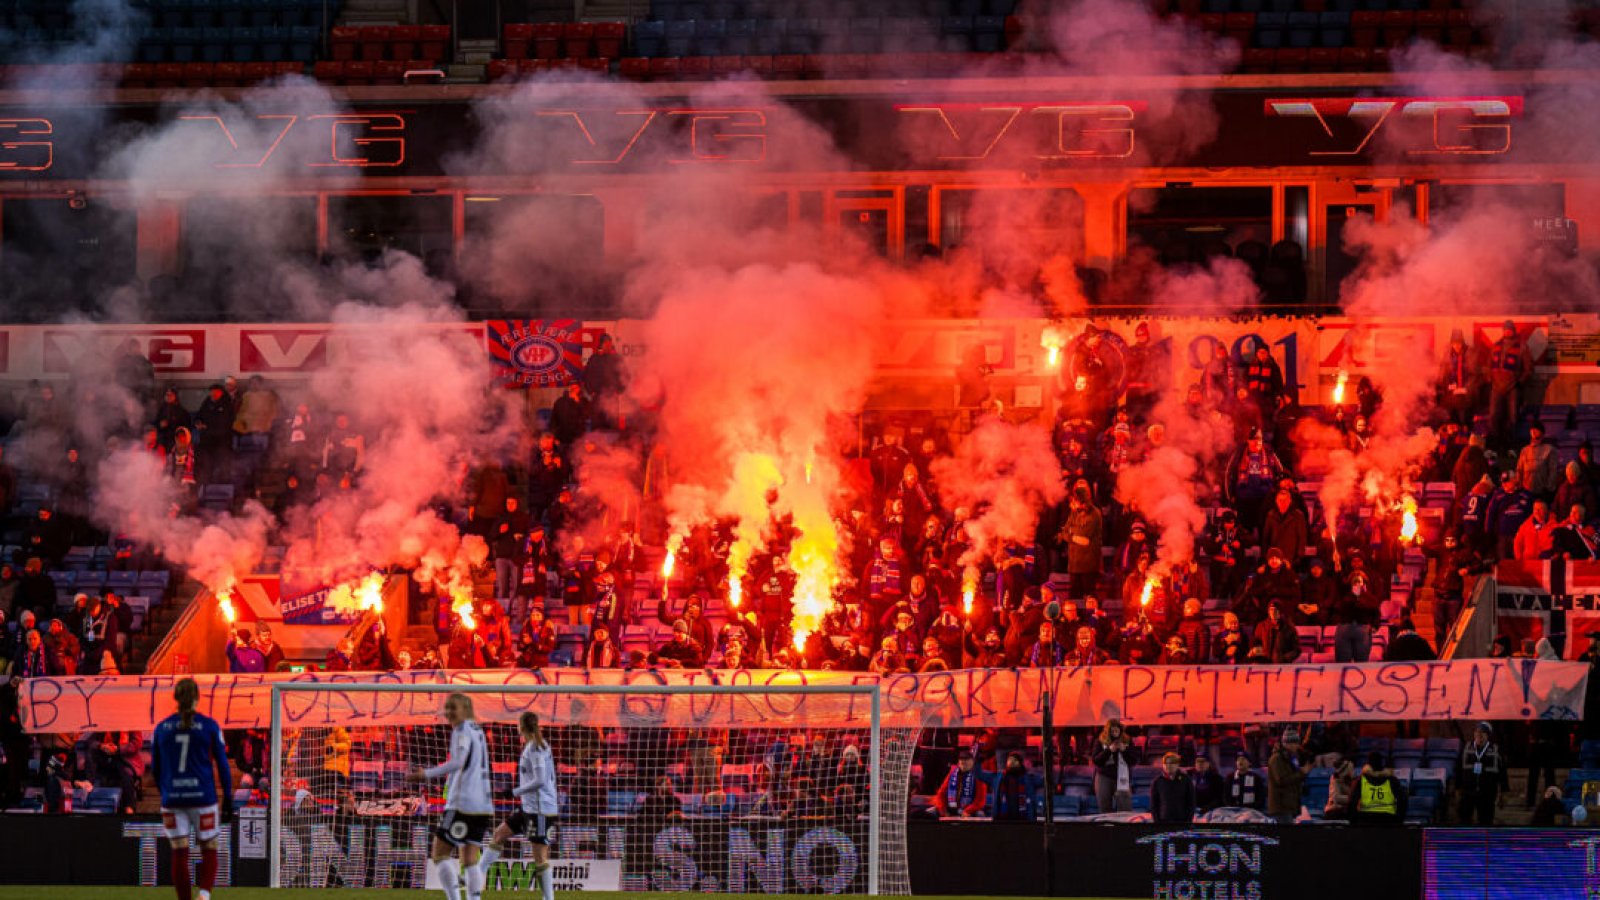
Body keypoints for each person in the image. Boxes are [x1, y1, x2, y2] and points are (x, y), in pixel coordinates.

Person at [407, 693, 495, 900]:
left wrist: (425, 774)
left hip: (463, 802)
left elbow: (459, 761)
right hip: (482, 803)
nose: (448, 713)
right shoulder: (478, 731)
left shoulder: (462, 730)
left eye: (452, 709)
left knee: (439, 853)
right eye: (448, 709)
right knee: (470, 858)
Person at [151, 678, 231, 900]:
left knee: (179, 852)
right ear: (197, 698)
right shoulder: (209, 726)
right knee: (210, 847)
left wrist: (165, 792)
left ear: (175, 698)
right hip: (203, 797)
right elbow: (223, 766)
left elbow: (155, 768)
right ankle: (204, 895)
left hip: (173, 799)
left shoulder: (161, 728)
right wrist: (228, 798)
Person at [479, 712, 557, 900]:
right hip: (528, 807)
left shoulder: (536, 748)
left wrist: (513, 792)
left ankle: (549, 899)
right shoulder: (533, 746)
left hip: (540, 809)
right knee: (499, 834)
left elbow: (539, 780)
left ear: (521, 726)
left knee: (539, 857)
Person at [1458, 721, 1505, 826]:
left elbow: (1502, 772)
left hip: (1487, 793)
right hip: (1468, 792)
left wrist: (1503, 791)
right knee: (1464, 820)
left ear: (1488, 735)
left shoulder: (1496, 750)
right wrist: (1458, 787)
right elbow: (1458, 769)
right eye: (1477, 732)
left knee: (1486, 821)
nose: (1479, 735)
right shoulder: (1466, 748)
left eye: (1482, 732)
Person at [1349, 752, 1408, 825]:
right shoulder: (1392, 780)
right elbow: (1402, 801)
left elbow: (1352, 803)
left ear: (1368, 764)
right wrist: (1398, 820)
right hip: (1388, 820)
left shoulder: (1360, 780)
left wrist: (1353, 822)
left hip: (1365, 821)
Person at [1092, 718, 1136, 814]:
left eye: (1117, 730)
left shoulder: (1127, 740)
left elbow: (1133, 760)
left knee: (1125, 807)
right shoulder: (1100, 741)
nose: (1115, 733)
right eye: (1113, 731)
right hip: (1104, 777)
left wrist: (1124, 751)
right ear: (1108, 731)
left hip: (1122, 777)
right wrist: (1108, 751)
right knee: (1104, 807)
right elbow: (1096, 760)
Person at [1267, 728, 1311, 823]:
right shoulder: (1277, 759)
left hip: (1289, 806)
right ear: (1288, 743)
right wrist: (1302, 772)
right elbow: (1281, 780)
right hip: (1281, 807)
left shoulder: (1291, 758)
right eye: (1296, 743)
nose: (1298, 746)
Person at [933, 749, 988, 818]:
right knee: (931, 812)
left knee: (980, 814)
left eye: (966, 759)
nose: (963, 761)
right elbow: (941, 794)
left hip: (970, 810)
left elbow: (980, 801)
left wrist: (968, 811)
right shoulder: (952, 773)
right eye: (961, 759)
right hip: (951, 808)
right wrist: (943, 810)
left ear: (973, 761)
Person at [1150, 752, 1196, 824]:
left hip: (1182, 821)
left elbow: (1191, 802)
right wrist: (1157, 822)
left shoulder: (1186, 780)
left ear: (1177, 765)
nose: (1168, 766)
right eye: (1166, 763)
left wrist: (1188, 821)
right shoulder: (1157, 781)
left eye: (1171, 763)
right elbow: (1154, 804)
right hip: (1163, 821)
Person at [993, 752, 1032, 821]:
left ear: (1020, 763)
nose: (1012, 762)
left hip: (1023, 819)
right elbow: (979, 774)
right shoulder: (1000, 777)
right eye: (1010, 760)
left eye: (1014, 761)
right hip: (1003, 820)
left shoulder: (1027, 778)